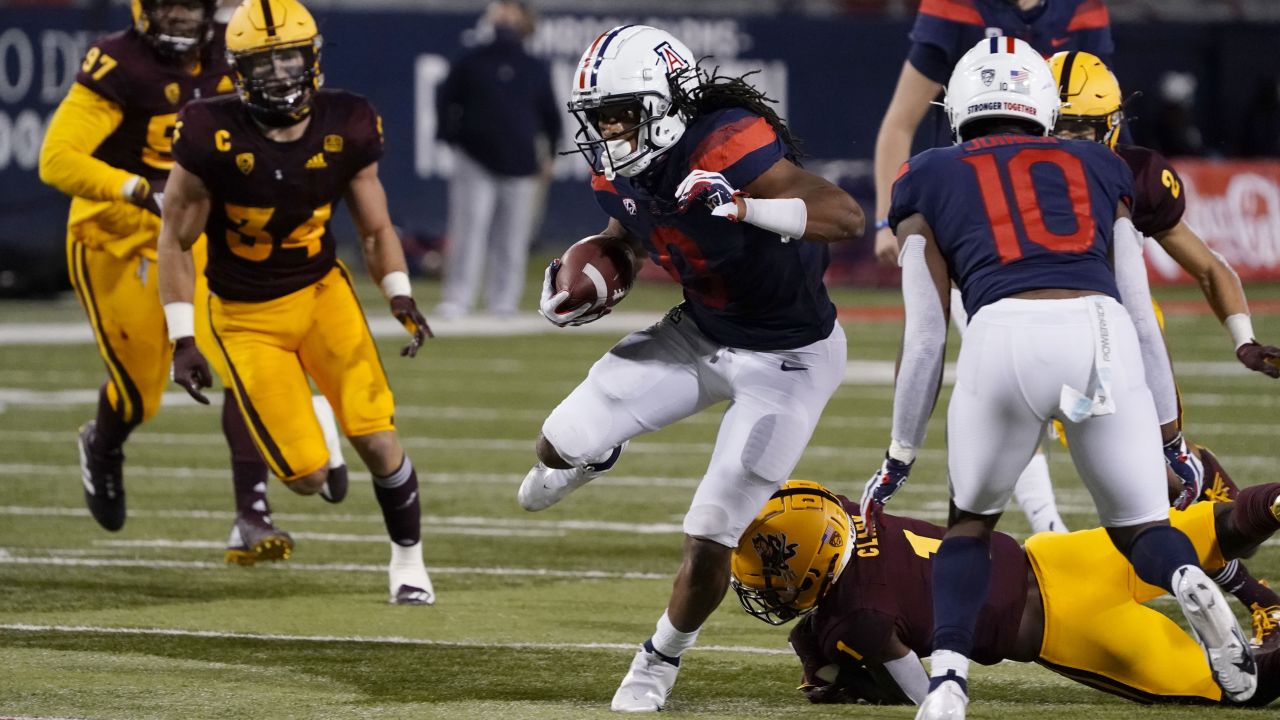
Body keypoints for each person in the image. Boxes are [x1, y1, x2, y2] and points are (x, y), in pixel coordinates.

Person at [859, 36, 1255, 718]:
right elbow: (1136, 311)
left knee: (971, 530)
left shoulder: (924, 173)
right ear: (1040, 102)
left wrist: (898, 456)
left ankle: (948, 684)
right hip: (1100, 334)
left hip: (1002, 336)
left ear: (959, 107)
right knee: (1141, 531)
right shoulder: (1100, 167)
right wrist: (1172, 440)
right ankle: (1186, 575)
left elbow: (925, 338)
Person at [517, 25, 863, 711]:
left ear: (667, 101)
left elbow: (845, 215)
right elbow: (629, 235)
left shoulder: (726, 141)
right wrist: (589, 276)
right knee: (559, 442)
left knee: (712, 534)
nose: (609, 131)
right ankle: (598, 455)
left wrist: (743, 205)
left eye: (620, 114)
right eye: (598, 118)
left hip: (789, 357)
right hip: (700, 333)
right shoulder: (617, 167)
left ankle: (658, 660)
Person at [36, 0, 342, 564]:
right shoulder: (117, 62)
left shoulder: (233, 49)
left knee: (237, 359)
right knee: (138, 395)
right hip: (115, 235)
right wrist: (134, 190)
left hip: (195, 234)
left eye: (190, 5)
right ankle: (102, 444)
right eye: (168, 5)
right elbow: (56, 159)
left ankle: (252, 516)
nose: (180, 17)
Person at [156, 0, 435, 605]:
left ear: (311, 60)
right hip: (246, 316)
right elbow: (174, 241)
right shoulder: (209, 131)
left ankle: (409, 564)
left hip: (320, 292)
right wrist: (182, 337)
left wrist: (400, 294)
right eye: (265, 63)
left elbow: (375, 229)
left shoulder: (348, 121)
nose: (281, 74)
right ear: (237, 69)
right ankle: (319, 430)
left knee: (380, 437)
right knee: (308, 479)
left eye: (290, 59)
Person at [731, 479, 1280, 707]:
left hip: (1063, 631)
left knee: (1239, 689)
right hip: (1060, 556)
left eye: (774, 579)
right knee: (1224, 525)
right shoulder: (852, 512)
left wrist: (844, 674)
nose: (771, 591)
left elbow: (922, 695)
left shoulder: (857, 618)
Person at [872, 0, 1115, 267]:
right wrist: (886, 221)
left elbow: (1106, 113)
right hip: (968, 194)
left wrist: (1126, 198)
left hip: (1053, 196)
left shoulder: (1082, 7)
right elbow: (900, 124)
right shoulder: (955, 6)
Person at [433, 0, 562, 320]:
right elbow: (445, 99)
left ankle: (504, 299)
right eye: (501, 7)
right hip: (474, 158)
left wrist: (550, 154)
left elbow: (550, 115)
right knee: (468, 230)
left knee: (513, 236)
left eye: (511, 8)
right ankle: (458, 297)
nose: (504, 13)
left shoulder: (533, 66)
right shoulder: (472, 61)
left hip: (521, 163)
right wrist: (451, 138)